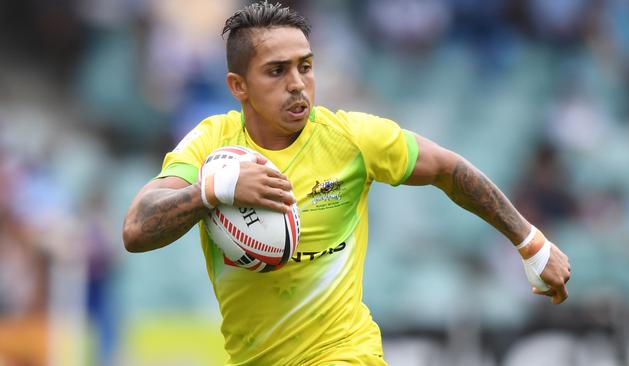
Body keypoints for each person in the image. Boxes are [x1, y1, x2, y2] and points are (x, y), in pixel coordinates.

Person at [122, 2, 571, 365]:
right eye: (277, 71)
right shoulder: (211, 145)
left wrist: (530, 241)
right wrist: (214, 190)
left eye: (306, 67)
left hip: (347, 355)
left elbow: (449, 170)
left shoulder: (351, 139)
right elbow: (135, 230)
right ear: (238, 85)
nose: (298, 84)